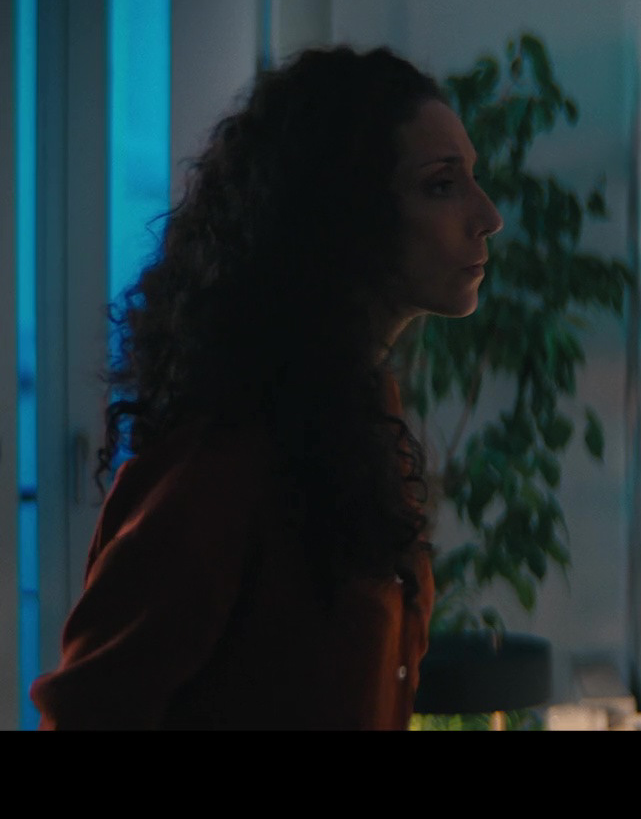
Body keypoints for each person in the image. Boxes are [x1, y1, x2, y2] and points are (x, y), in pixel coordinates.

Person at [29, 45, 504, 730]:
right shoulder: (226, 462)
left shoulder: (359, 418)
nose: (487, 215)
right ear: (342, 213)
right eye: (441, 185)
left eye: (471, 179)